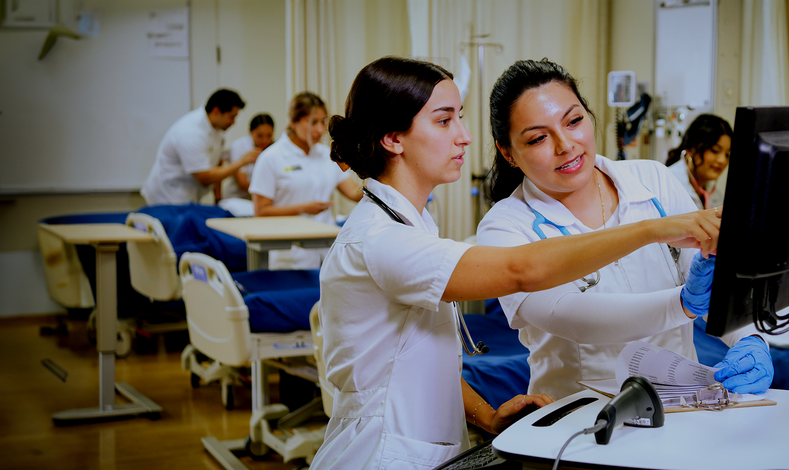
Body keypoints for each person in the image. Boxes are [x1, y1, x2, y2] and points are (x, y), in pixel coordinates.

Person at [310, 56, 723, 470]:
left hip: (426, 448)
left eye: (459, 118)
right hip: (382, 457)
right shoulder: (382, 240)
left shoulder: (409, 224)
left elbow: (412, 361)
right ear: (393, 139)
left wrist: (486, 416)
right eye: (444, 121)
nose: (464, 137)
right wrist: (653, 233)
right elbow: (522, 271)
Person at [477, 59, 773, 400]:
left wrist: (750, 338)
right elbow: (568, 316)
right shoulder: (504, 227)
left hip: (684, 407)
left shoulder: (653, 180)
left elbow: (710, 279)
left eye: (573, 121)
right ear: (508, 153)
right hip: (583, 419)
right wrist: (681, 303)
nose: (565, 145)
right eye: (538, 138)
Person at [249, 92, 362, 269]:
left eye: (322, 122)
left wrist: (381, 179)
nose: (320, 129)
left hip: (327, 251)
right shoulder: (271, 157)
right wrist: (303, 208)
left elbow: (354, 193)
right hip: (290, 254)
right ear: (293, 122)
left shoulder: (326, 155)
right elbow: (261, 211)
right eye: (313, 122)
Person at [141, 89, 253, 206]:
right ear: (216, 111)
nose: (234, 122)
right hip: (168, 196)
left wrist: (218, 198)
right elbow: (205, 177)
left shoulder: (217, 128)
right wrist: (241, 162)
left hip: (187, 195)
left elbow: (217, 162)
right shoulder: (191, 132)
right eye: (232, 117)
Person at [665, 114, 732, 210]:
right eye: (715, 150)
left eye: (727, 154)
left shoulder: (717, 196)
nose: (722, 160)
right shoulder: (667, 185)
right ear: (691, 149)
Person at [220, 113, 275, 201]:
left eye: (269, 135)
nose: (264, 140)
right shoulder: (238, 147)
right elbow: (243, 183)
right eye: (259, 136)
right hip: (237, 198)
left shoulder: (274, 148)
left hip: (265, 199)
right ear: (250, 131)